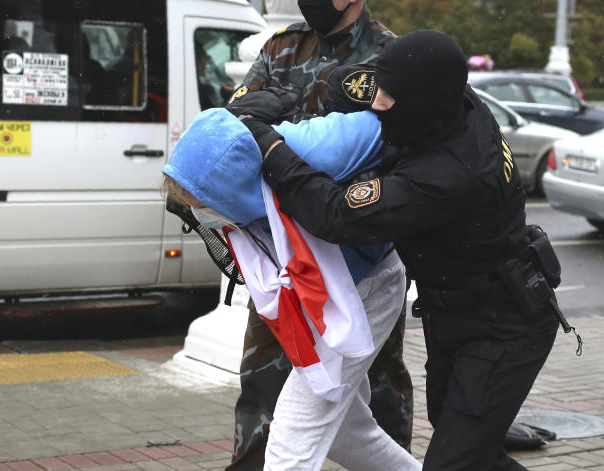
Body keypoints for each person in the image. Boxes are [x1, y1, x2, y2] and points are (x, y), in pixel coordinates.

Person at [240, 30, 561, 470]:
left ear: (419, 101)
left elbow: (334, 215)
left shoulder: (448, 174)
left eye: (389, 96)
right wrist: (292, 108)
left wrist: (272, 147)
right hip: (457, 313)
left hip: (502, 325)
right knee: (473, 453)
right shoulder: (448, 97)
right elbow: (351, 85)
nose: (377, 103)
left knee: (454, 462)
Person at [163, 71, 420, 471]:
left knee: (291, 435)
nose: (207, 216)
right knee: (347, 432)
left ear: (231, 182)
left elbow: (398, 128)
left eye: (205, 203)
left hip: (370, 283)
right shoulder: (244, 178)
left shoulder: (319, 146)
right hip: (339, 287)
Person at [224, 0, 411, 470]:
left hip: (362, 252)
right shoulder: (283, 47)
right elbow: (234, 126)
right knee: (263, 377)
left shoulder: (392, 57)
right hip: (283, 249)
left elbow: (406, 153)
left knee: (380, 382)